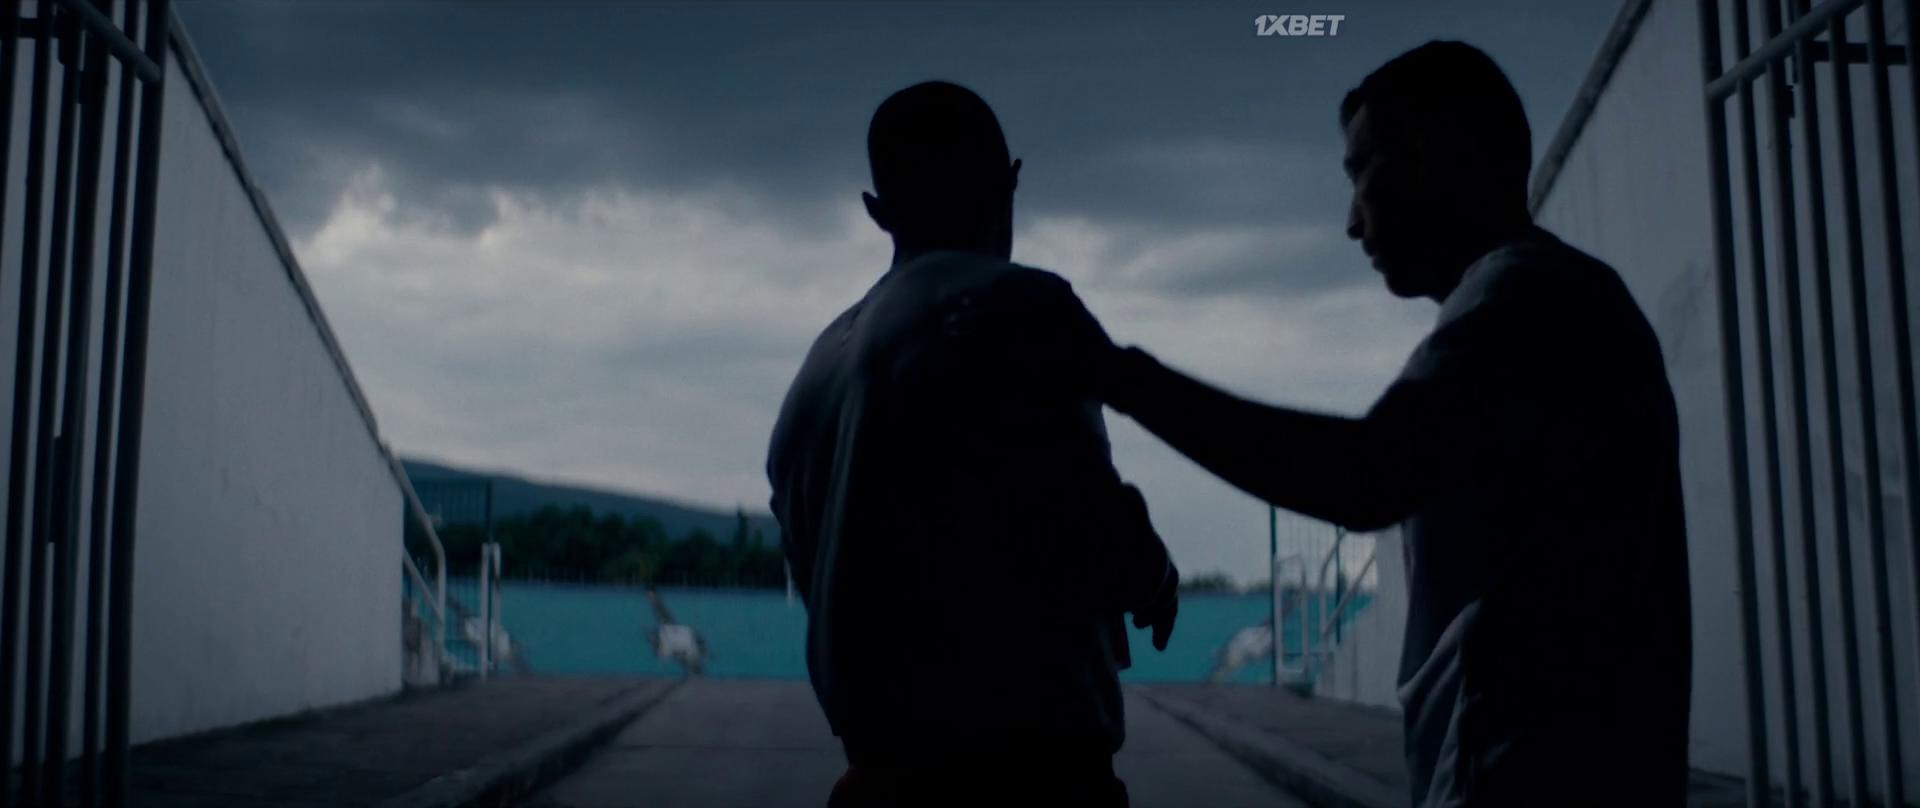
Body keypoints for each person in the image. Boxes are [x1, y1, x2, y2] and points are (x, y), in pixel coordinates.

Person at [1062, 42, 1692, 806]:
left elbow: (1364, 475)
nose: (1351, 222)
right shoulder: (1558, 297)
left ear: (1441, 156)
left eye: (1363, 172)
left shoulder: (1522, 300)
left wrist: (1122, 378)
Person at [765, 81, 1179, 808]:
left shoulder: (813, 378)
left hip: (873, 781)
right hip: (1034, 779)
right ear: (1009, 182)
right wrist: (1151, 572)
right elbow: (1092, 519)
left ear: (877, 210)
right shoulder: (1017, 306)